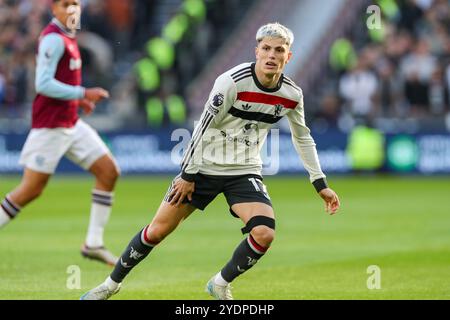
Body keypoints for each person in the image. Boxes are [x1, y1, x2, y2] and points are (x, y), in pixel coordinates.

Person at [81, 22, 340, 300]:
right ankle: (110, 285)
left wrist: (319, 182)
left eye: (279, 50)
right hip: (202, 168)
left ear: (288, 57)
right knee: (157, 232)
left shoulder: (291, 95)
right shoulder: (231, 81)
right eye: (266, 48)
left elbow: (303, 138)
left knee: (264, 233)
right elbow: (202, 127)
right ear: (257, 51)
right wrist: (187, 175)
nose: (272, 55)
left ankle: (219, 283)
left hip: (244, 171)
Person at [0, 0, 120, 265]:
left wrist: (78, 101)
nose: (72, 9)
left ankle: (93, 243)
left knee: (108, 172)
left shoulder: (69, 37)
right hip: (51, 126)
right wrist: (82, 93)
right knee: (29, 190)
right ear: (53, 9)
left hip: (70, 123)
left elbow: (61, 81)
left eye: (76, 3)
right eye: (66, 4)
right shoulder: (53, 39)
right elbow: (42, 84)